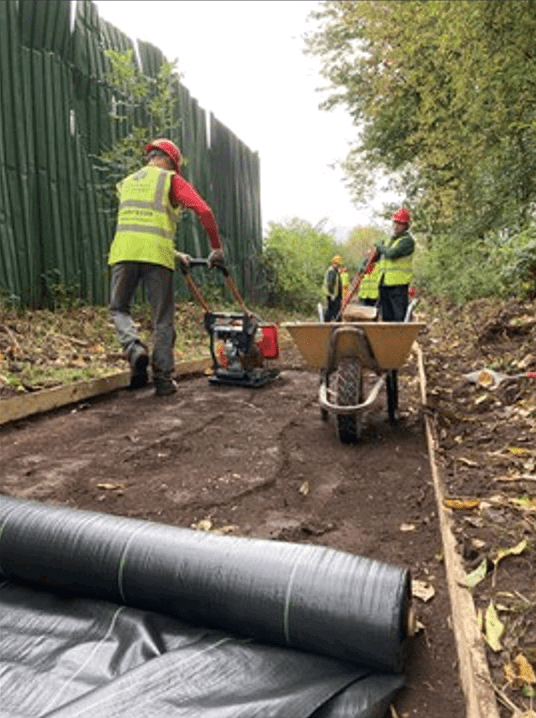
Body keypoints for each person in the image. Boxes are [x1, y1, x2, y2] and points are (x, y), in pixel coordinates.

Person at [108, 138, 224, 397]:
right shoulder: (170, 180)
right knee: (162, 319)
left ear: (151, 157)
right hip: (157, 257)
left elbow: (140, 225)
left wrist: (176, 253)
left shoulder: (126, 183)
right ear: (170, 161)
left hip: (124, 252)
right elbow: (204, 211)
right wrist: (216, 248)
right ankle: (162, 379)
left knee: (118, 308)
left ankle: (134, 350)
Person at [374, 208, 415, 322]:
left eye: (400, 224)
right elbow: (381, 257)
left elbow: (391, 253)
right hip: (384, 284)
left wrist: (380, 247)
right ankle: (388, 339)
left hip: (398, 286)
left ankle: (400, 339)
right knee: (387, 317)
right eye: (395, 223)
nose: (396, 226)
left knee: (398, 317)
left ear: (406, 226)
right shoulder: (389, 241)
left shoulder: (407, 241)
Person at [323, 255, 343, 321]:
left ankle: (333, 322)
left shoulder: (334, 271)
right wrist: (332, 295)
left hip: (335, 294)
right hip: (333, 295)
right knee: (332, 310)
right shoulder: (332, 272)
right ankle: (327, 323)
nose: (339, 266)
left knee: (334, 310)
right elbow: (330, 284)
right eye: (338, 265)